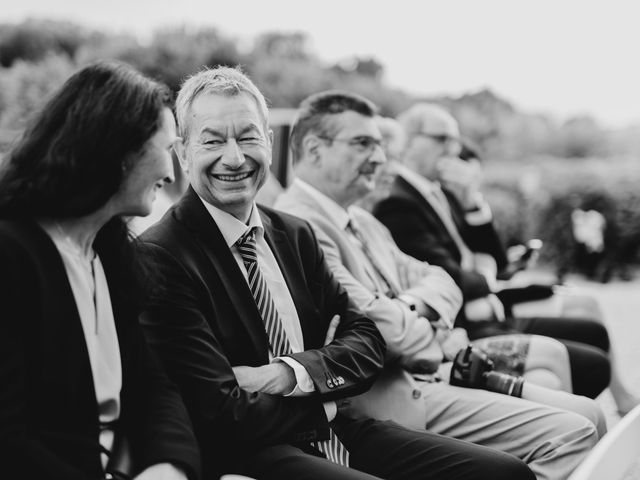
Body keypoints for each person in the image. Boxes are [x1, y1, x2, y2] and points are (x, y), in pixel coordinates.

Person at [137, 66, 536, 480]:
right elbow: (221, 410)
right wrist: (325, 391)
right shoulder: (161, 254)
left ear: (270, 143)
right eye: (213, 141)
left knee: (506, 473)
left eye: (248, 137)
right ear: (183, 152)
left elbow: (367, 342)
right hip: (254, 453)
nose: (235, 157)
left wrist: (289, 373)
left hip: (339, 430)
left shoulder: (293, 233)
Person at [274, 90, 603, 479]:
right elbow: (384, 333)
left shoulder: (363, 221)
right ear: (314, 149)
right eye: (363, 143)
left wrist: (406, 308)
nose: (380, 159)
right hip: (392, 397)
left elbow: (443, 279)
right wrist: (424, 320)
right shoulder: (298, 225)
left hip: (437, 370)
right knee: (577, 430)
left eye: (380, 145)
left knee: (589, 415)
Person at [0, 61, 200, 480]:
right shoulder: (12, 255)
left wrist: (169, 466)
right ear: (120, 151)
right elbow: (10, 441)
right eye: (167, 149)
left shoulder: (110, 254)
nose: (171, 172)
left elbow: (154, 387)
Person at [371, 103, 633, 407]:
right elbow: (452, 278)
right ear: (410, 140)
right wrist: (488, 275)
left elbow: (494, 257)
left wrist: (471, 200)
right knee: (591, 359)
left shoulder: (442, 192)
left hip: (488, 305)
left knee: (592, 329)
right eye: (443, 138)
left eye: (455, 139)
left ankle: (602, 409)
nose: (453, 148)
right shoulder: (398, 202)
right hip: (467, 321)